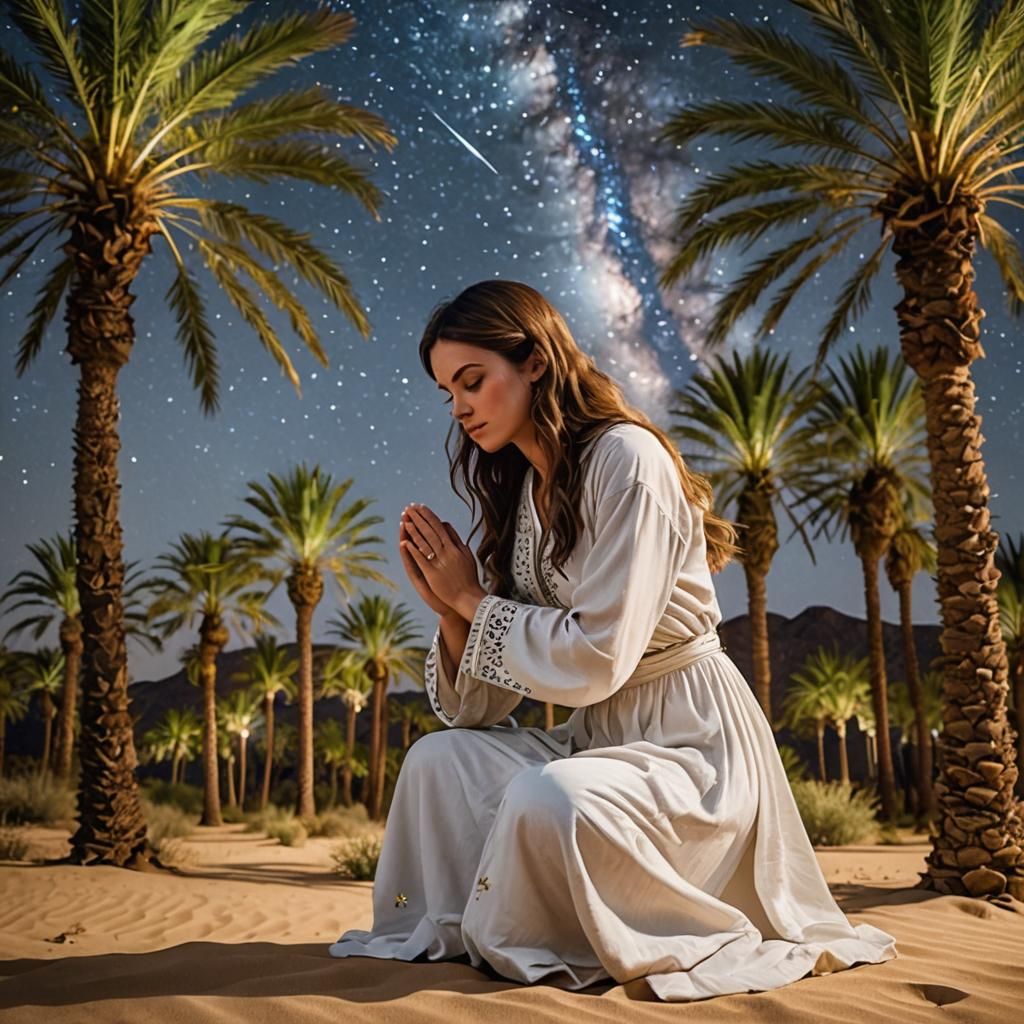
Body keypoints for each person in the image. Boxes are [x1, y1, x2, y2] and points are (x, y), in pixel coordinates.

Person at [328, 280, 896, 1000]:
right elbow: (479, 711)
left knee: (550, 796)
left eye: (472, 381)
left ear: (534, 361)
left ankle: (557, 937)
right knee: (439, 760)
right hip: (597, 739)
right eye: (448, 392)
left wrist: (474, 598)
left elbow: (600, 655)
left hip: (692, 747)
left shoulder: (627, 460)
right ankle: (465, 927)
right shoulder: (525, 496)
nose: (460, 407)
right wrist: (450, 610)